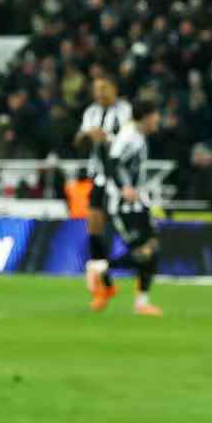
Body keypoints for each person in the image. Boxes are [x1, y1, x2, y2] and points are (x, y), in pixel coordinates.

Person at [94, 99, 164, 315]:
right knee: (142, 250)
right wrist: (124, 187)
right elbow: (112, 163)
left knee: (152, 248)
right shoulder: (128, 137)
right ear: (147, 116)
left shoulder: (138, 136)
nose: (158, 119)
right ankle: (103, 271)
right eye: (155, 115)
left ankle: (141, 302)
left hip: (138, 202)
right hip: (122, 205)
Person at [75, 77, 133, 301]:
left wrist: (107, 138)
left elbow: (130, 141)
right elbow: (79, 142)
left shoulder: (125, 111)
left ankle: (137, 285)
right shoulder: (90, 113)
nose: (99, 93)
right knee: (94, 226)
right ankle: (106, 284)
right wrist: (85, 136)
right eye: (96, 89)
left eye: (104, 88)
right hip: (100, 177)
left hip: (122, 180)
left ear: (114, 88)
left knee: (130, 236)